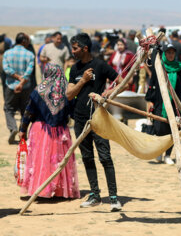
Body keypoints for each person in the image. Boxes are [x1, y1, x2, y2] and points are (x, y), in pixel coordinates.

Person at [66, 33, 122, 211]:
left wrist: (108, 94)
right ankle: (95, 194)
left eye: (75, 48)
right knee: (87, 157)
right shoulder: (75, 69)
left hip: (99, 118)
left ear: (85, 48)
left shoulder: (99, 65)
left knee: (105, 157)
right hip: (80, 119)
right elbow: (68, 95)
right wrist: (82, 80)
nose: (72, 51)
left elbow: (122, 82)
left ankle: (113, 197)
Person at [19, 64, 80, 199]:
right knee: (58, 161)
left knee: (42, 161)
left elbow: (29, 112)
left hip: (41, 131)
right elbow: (74, 111)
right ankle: (58, 191)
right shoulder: (66, 92)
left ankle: (42, 189)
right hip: (61, 132)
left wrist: (22, 129)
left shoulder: (38, 91)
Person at [145, 44, 181, 164]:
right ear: (164, 54)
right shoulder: (159, 66)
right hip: (161, 101)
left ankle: (167, 155)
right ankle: (159, 153)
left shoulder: (179, 67)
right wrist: (150, 100)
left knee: (172, 128)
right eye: (168, 52)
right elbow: (153, 82)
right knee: (160, 128)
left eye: (172, 52)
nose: (170, 55)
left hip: (176, 102)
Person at [2, 32, 34, 144]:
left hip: (11, 86)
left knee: (8, 109)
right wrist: (22, 82)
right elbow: (29, 71)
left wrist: (17, 79)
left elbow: (6, 69)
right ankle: (22, 132)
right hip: (25, 87)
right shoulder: (30, 55)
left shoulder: (7, 53)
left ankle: (13, 128)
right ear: (24, 41)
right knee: (25, 110)